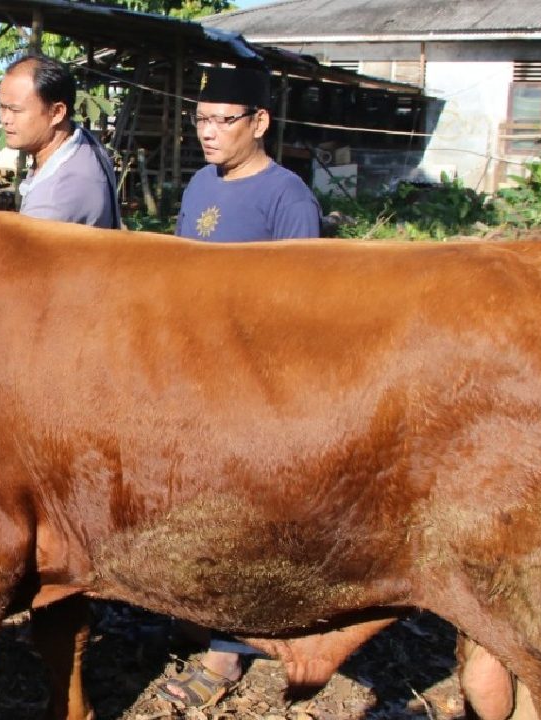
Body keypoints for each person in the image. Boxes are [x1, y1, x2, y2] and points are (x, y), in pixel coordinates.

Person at [157, 65, 322, 708]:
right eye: (201, 119)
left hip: (250, 388)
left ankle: (228, 654)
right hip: (191, 379)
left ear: (259, 123)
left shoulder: (289, 198)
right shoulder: (201, 182)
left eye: (224, 120)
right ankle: (198, 617)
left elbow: (301, 310)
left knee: (239, 521)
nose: (208, 132)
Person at [0, 54, 120, 229]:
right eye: (2, 107)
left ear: (56, 113)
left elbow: (27, 253)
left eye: (16, 110)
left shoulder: (56, 196)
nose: (5, 119)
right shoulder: (82, 140)